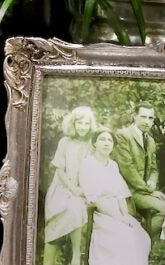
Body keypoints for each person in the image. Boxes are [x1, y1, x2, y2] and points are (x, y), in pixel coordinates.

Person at [79, 129, 153, 265]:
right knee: (123, 237)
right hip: (100, 213)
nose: (106, 143)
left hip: (118, 212)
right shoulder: (88, 164)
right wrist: (119, 218)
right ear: (95, 143)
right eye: (102, 139)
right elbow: (94, 199)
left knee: (142, 238)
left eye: (110, 140)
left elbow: (120, 194)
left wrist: (125, 217)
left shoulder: (113, 165)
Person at [41, 106, 98, 265]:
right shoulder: (65, 142)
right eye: (79, 123)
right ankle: (50, 260)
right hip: (62, 187)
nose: (83, 127)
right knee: (63, 212)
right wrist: (72, 189)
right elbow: (59, 169)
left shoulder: (91, 145)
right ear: (73, 124)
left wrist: (84, 189)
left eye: (86, 123)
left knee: (76, 208)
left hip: (82, 189)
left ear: (90, 125)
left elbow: (94, 170)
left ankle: (76, 256)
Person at [112, 105, 165, 234]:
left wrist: (152, 182)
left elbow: (154, 168)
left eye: (150, 118)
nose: (146, 121)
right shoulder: (123, 135)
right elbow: (128, 169)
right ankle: (139, 237)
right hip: (128, 192)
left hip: (143, 191)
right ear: (134, 116)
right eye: (143, 117)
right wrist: (148, 190)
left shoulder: (150, 140)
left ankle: (141, 237)